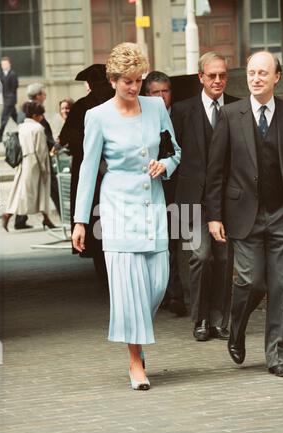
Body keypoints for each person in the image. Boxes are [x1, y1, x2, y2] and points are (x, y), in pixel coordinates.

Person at [72, 43, 181, 390]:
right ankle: (136, 360)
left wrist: (165, 165)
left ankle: (136, 331)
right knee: (129, 290)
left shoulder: (155, 107)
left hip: (153, 207)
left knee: (159, 283)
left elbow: (174, 150)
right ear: (113, 80)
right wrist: (80, 221)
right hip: (117, 210)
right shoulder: (98, 116)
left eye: (138, 80)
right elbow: (89, 170)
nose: (135, 88)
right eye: (127, 82)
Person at [206, 51, 283, 378]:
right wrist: (214, 215)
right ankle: (237, 327)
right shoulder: (231, 115)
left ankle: (277, 355)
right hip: (243, 214)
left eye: (263, 73)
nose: (256, 78)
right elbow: (215, 170)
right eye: (251, 73)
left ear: (276, 78)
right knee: (249, 280)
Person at [171, 52, 237, 342]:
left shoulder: (237, 107)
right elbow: (171, 154)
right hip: (190, 201)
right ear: (201, 77)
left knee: (223, 259)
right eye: (212, 75)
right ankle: (199, 319)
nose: (218, 80)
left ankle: (221, 319)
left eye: (222, 75)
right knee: (199, 256)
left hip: (228, 201)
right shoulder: (182, 111)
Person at [59, 64, 114, 284]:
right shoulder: (85, 106)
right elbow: (68, 137)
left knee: (96, 223)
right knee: (95, 223)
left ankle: (103, 271)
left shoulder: (87, 105)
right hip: (93, 173)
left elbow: (66, 137)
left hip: (100, 173)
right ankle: (104, 271)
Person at [145, 71, 186, 316]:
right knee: (160, 244)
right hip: (154, 191)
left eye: (165, 91)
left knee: (181, 243)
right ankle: (167, 295)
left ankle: (178, 295)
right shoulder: (142, 116)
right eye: (155, 92)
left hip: (181, 190)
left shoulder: (182, 114)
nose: (161, 97)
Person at [1, 101, 53, 231]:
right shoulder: (38, 129)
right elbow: (40, 150)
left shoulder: (22, 127)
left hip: (24, 161)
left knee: (24, 192)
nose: (42, 117)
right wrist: (44, 168)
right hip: (35, 163)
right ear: (36, 115)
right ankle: (8, 214)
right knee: (32, 193)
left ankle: (46, 218)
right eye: (40, 115)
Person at [15, 83, 60, 230]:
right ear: (38, 95)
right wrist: (55, 145)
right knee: (49, 186)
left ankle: (20, 220)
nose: (45, 96)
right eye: (43, 93)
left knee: (30, 188)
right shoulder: (31, 111)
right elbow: (38, 135)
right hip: (36, 156)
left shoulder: (29, 109)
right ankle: (64, 215)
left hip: (31, 157)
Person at [0, 57, 18, 142]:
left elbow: (14, 87)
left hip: (10, 99)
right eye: (2, 64)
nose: (4, 66)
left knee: (4, 117)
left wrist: (10, 98)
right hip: (5, 99)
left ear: (9, 64)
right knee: (15, 117)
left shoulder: (12, 74)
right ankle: (24, 126)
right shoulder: (1, 74)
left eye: (5, 64)